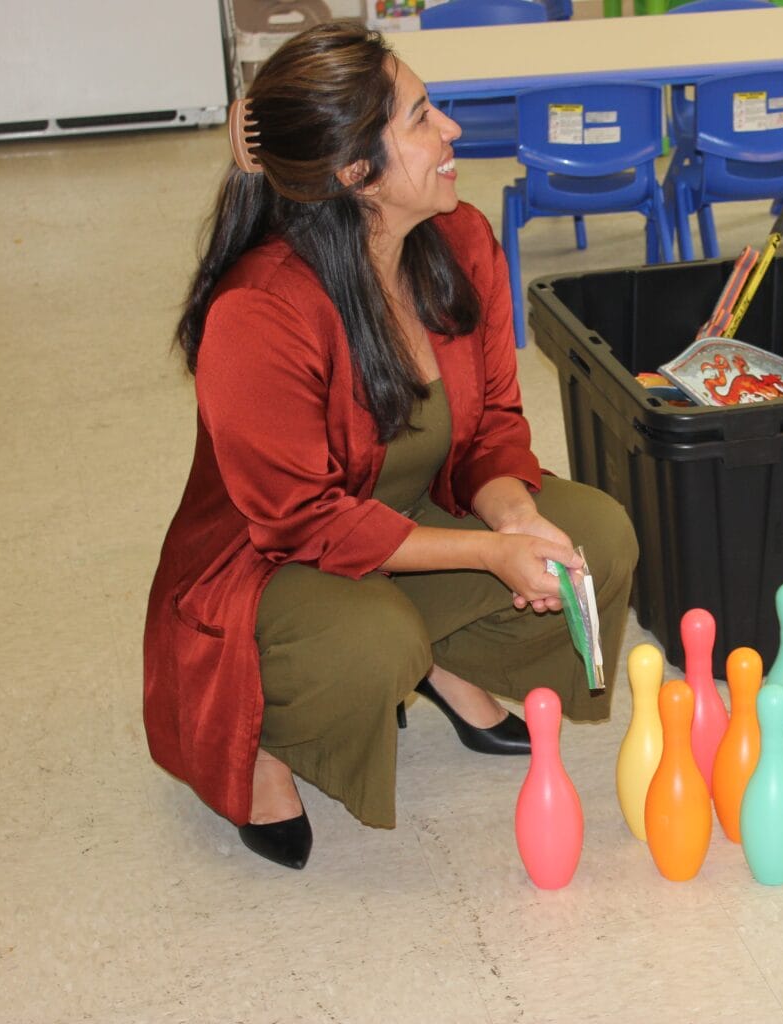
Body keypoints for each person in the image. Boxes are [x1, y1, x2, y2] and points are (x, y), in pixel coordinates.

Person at [143, 23, 638, 870]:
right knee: (371, 648)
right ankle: (260, 737)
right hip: (269, 564)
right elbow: (304, 524)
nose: (451, 131)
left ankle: (440, 666)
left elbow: (489, 431)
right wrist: (489, 554)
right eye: (420, 118)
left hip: (407, 513)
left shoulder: (463, 241)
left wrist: (516, 521)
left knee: (597, 536)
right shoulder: (258, 313)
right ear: (353, 173)